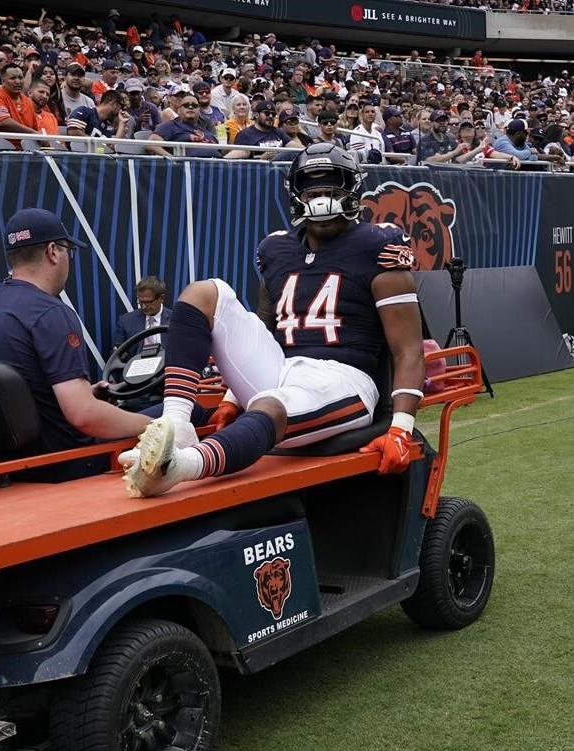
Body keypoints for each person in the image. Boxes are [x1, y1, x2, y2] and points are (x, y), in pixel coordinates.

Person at [119, 144, 425, 498]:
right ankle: (177, 422)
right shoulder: (276, 249)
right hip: (281, 366)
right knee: (204, 292)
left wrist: (402, 426)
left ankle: (179, 467)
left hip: (344, 378)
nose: (322, 199)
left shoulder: (379, 245)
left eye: (331, 189)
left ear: (352, 189)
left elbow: (408, 350)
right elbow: (264, 331)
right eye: (313, 190)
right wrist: (234, 396)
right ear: (296, 193)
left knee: (271, 405)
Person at [0, 208, 154, 474]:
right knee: (186, 415)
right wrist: (155, 425)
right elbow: (84, 415)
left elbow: (16, 394)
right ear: (53, 252)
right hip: (63, 463)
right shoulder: (51, 313)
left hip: (3, 467)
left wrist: (86, 393)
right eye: (68, 251)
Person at [0, 63, 38, 141]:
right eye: (13, 78)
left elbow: (34, 128)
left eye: (20, 77)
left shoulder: (28, 101)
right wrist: (33, 133)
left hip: (22, 149)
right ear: (3, 81)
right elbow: (3, 122)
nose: (18, 81)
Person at [148, 92, 219, 157]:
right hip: (188, 166)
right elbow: (150, 144)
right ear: (179, 110)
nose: (190, 107)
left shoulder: (204, 128)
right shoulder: (171, 126)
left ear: (199, 110)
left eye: (194, 105)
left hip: (218, 164)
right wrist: (171, 158)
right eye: (186, 105)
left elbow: (220, 148)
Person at [114, 276, 172, 352]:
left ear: (161, 298)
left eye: (148, 302)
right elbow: (117, 353)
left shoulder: (175, 320)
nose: (144, 307)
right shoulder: (126, 321)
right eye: (141, 302)